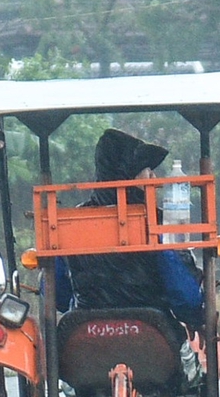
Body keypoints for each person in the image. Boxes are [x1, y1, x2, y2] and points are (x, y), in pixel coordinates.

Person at [59, 128, 206, 328]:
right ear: (128, 175)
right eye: (148, 171)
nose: (154, 178)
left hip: (84, 334)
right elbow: (185, 297)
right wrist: (196, 319)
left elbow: (57, 294)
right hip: (152, 331)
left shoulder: (73, 223)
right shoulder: (157, 222)